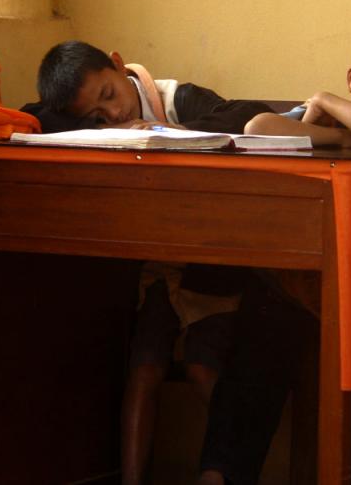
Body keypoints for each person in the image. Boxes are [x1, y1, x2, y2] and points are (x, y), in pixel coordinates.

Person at [198, 28, 351, 485]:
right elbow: (258, 128)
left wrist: (328, 101)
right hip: (295, 286)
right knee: (255, 352)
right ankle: (220, 474)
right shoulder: (328, 124)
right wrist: (333, 138)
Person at [24, 40, 271, 485]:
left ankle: (231, 469)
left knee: (202, 365)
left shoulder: (178, 98)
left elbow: (242, 114)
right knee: (143, 369)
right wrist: (99, 131)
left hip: (210, 260)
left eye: (109, 95)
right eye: (97, 116)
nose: (113, 114)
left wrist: (166, 137)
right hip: (155, 267)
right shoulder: (93, 119)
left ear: (119, 66)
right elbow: (35, 116)